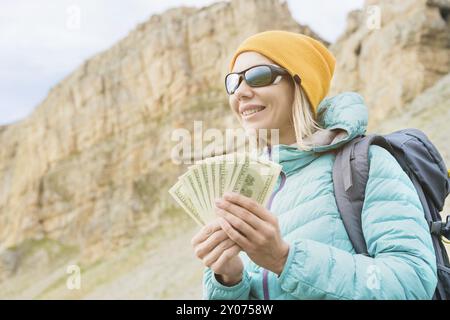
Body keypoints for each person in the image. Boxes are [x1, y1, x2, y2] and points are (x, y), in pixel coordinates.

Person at [190, 30, 437, 299]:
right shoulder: (252, 187)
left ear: (299, 84)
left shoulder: (364, 163)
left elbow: (413, 282)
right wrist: (229, 279)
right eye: (233, 82)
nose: (241, 92)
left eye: (258, 76)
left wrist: (284, 259)